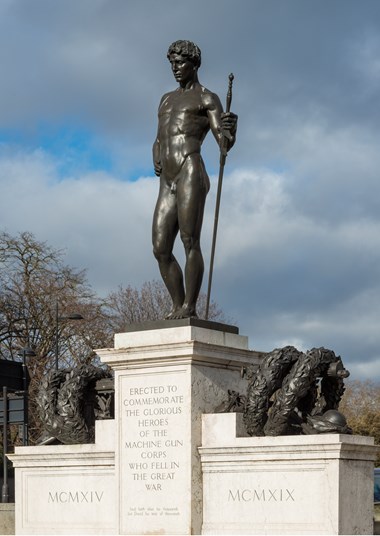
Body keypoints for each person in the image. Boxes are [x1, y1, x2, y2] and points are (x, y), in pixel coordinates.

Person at [152, 40, 237, 319]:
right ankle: (177, 305)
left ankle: (189, 306)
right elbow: (159, 137)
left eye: (180, 63)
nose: (175, 69)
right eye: (172, 64)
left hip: (190, 169)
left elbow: (222, 143)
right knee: (160, 247)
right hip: (167, 178)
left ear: (194, 64)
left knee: (190, 240)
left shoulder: (207, 98)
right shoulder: (165, 99)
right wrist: (155, 153)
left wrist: (229, 129)